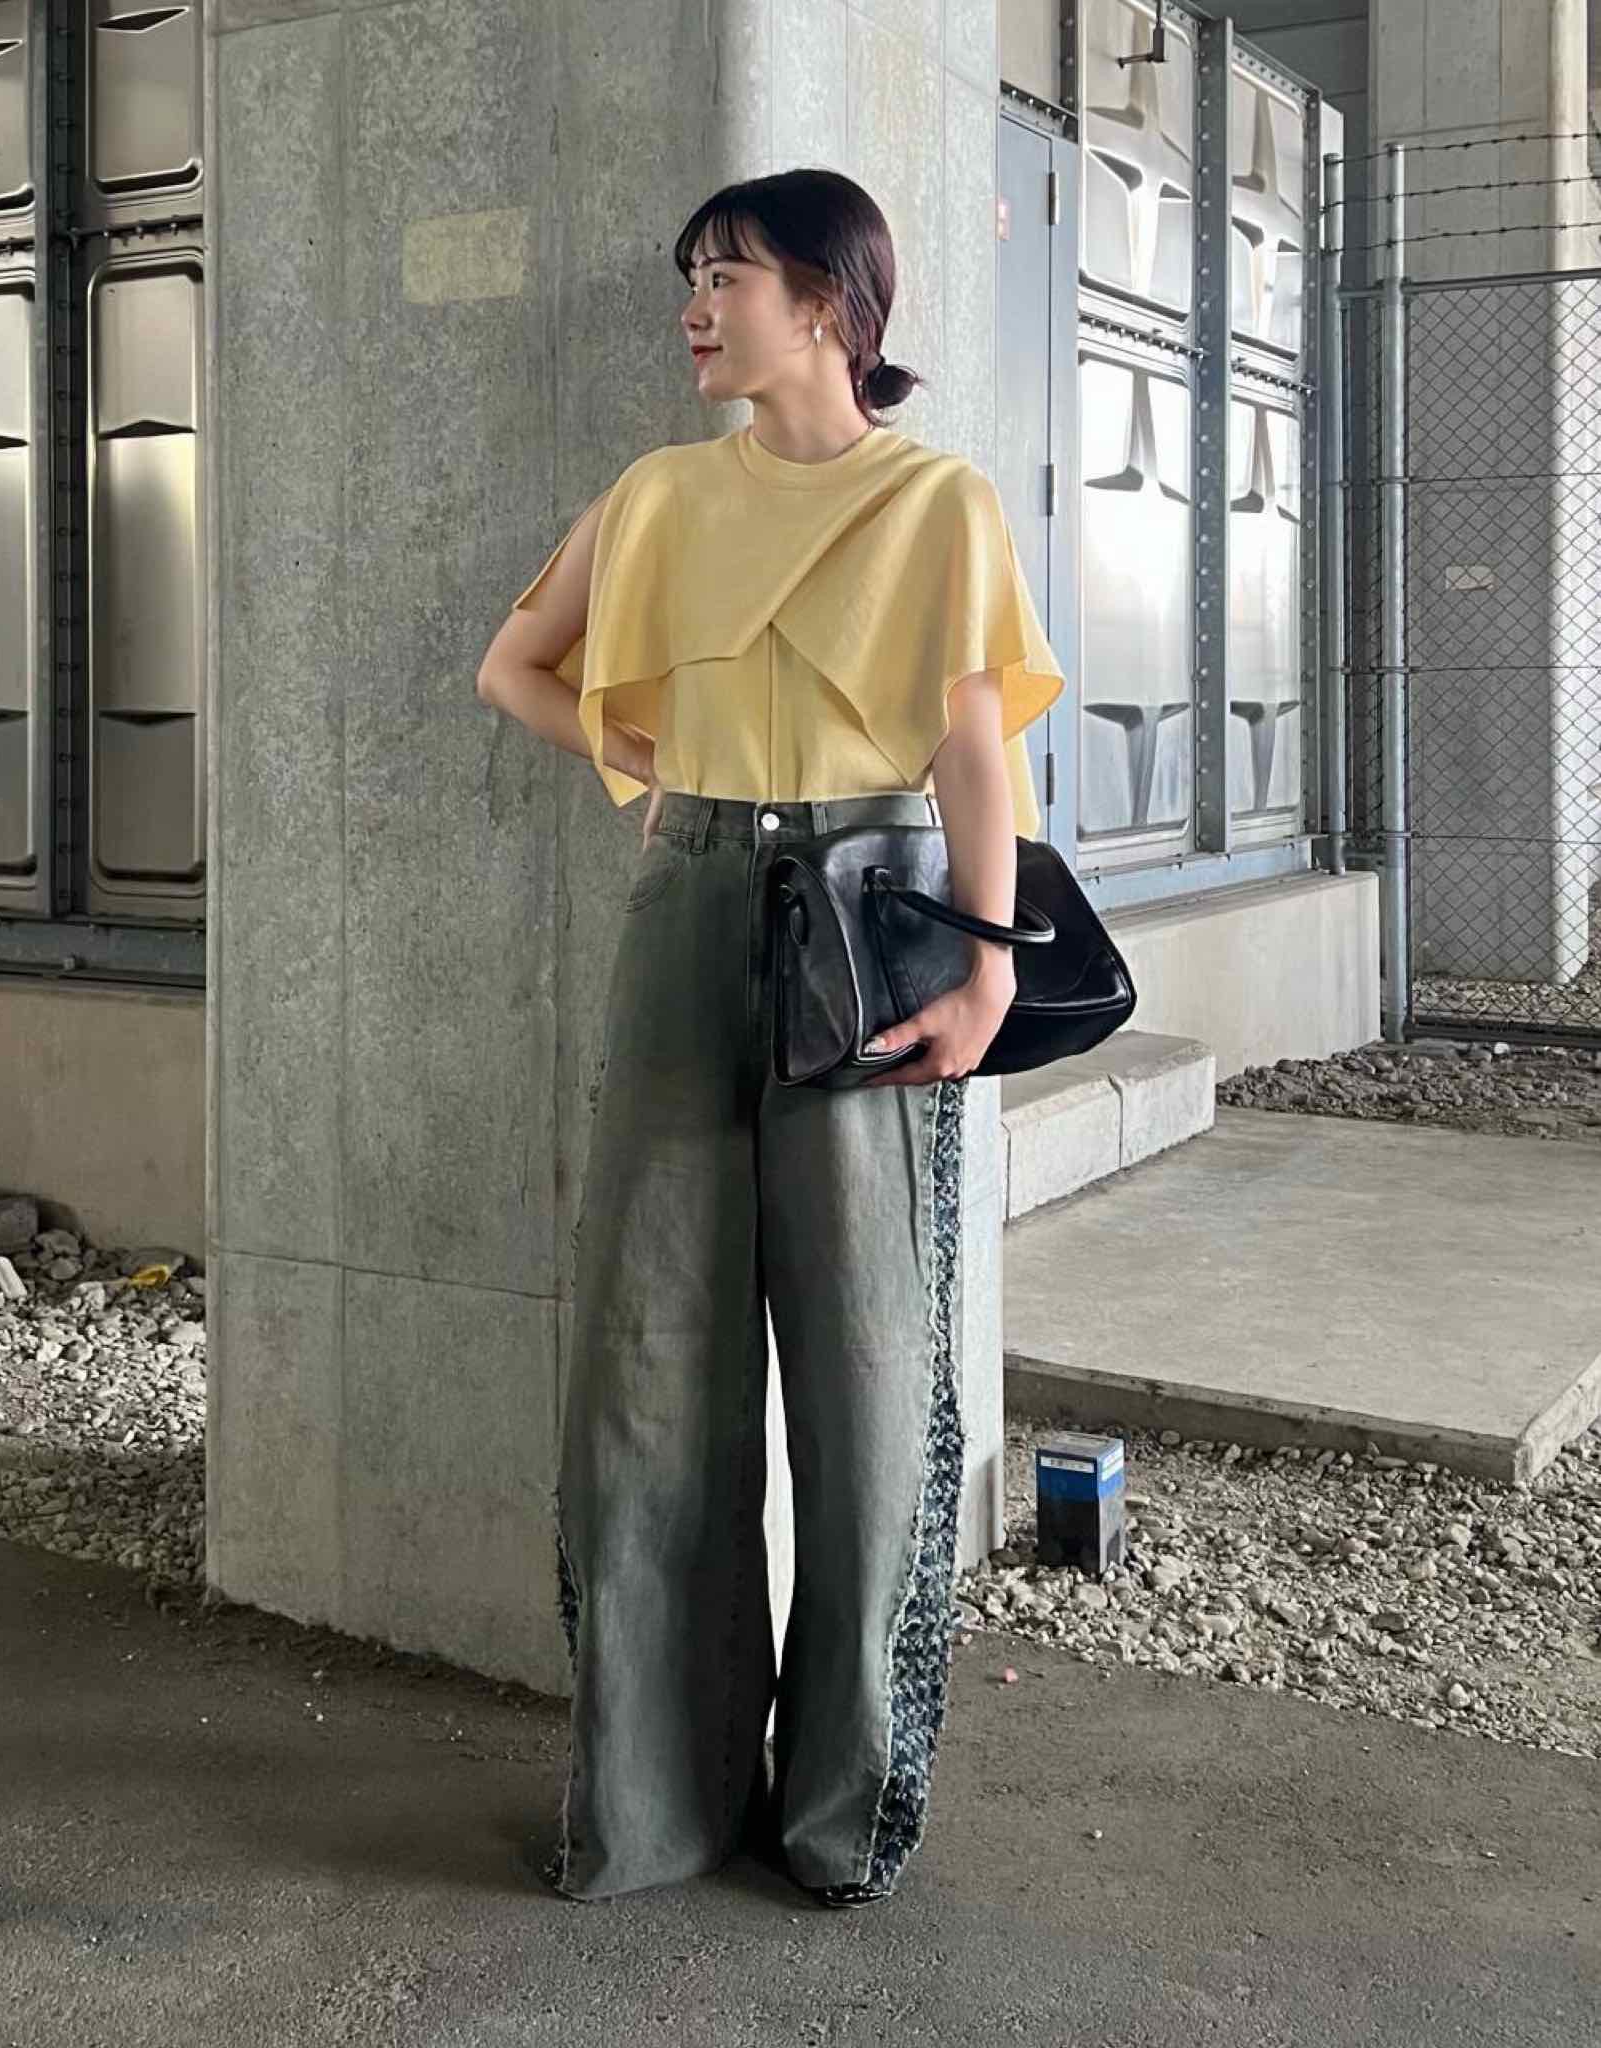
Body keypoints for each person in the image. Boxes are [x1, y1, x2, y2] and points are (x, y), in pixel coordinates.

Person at [475, 167, 1065, 1910]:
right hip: (691, 909)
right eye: (692, 275)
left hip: (871, 920)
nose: (694, 305)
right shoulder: (656, 496)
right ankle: (650, 1810)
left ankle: (838, 1813)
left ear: (827, 302)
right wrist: (663, 771)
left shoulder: (934, 501)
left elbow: (971, 748)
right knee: (648, 1358)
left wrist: (989, 969)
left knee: (867, 1363)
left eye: (725, 275)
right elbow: (513, 666)